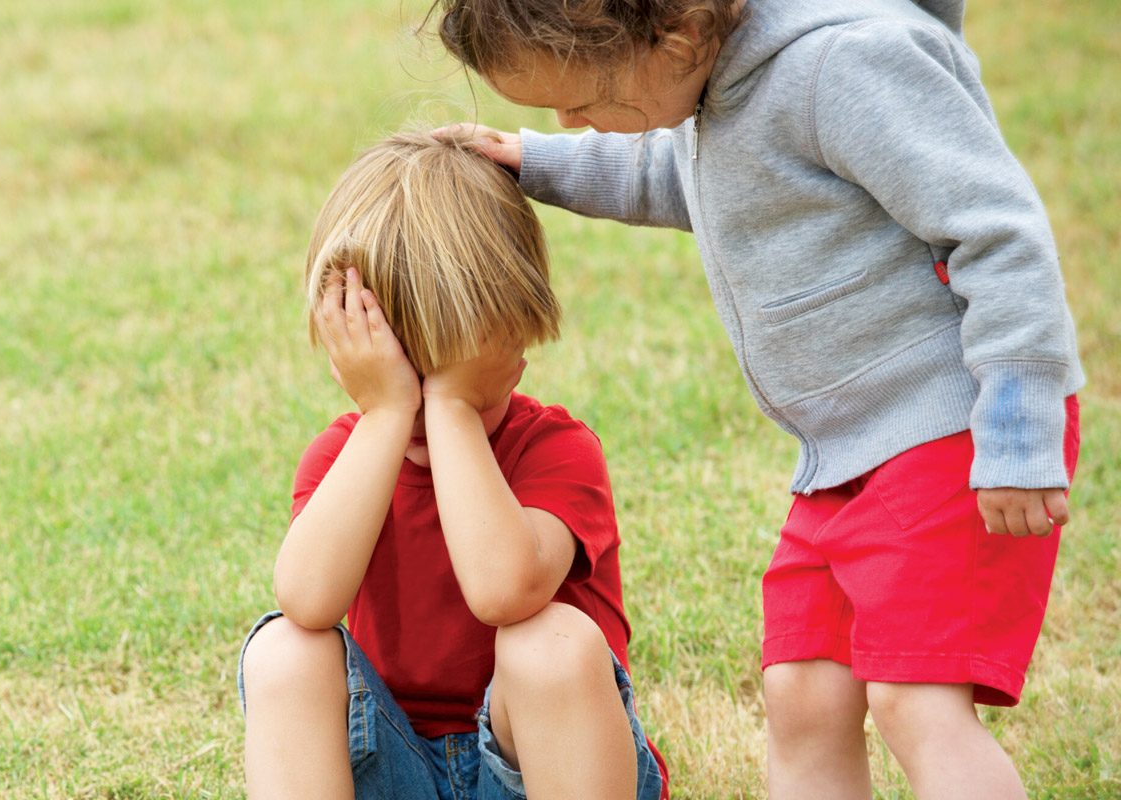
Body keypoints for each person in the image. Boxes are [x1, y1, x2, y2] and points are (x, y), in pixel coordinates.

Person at [426, 0, 1084, 798]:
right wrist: (536, 161)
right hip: (844, 459)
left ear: (679, 36)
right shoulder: (713, 89)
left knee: (915, 697)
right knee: (801, 695)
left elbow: (997, 231)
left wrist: (1017, 428)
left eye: (587, 98)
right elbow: (681, 174)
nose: (573, 117)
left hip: (956, 433)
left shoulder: (843, 67)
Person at [237, 131, 668, 800]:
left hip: (540, 771)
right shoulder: (344, 454)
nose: (416, 405)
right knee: (284, 650)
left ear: (513, 344)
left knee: (545, 643)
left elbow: (504, 590)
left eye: (442, 373)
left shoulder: (555, 449)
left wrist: (455, 409)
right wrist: (383, 415)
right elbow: (306, 598)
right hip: (397, 767)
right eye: (392, 374)